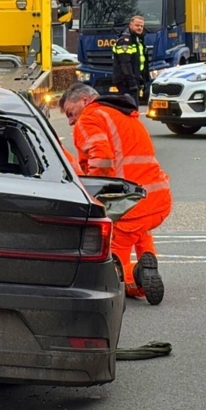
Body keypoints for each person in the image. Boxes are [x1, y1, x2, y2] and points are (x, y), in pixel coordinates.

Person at [60, 82, 170, 305]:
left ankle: (135, 277)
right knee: (140, 233)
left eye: (70, 113)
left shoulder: (89, 119)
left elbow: (101, 161)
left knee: (112, 260)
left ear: (84, 100)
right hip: (158, 198)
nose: (71, 121)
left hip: (128, 203)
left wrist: (95, 198)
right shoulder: (124, 115)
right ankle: (147, 265)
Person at [112, 15, 148, 107]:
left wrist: (142, 79)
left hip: (133, 79)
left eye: (141, 26)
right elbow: (125, 63)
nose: (140, 28)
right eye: (137, 25)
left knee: (132, 108)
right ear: (130, 25)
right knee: (130, 109)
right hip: (125, 81)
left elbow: (140, 61)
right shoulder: (125, 41)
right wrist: (131, 82)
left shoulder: (136, 39)